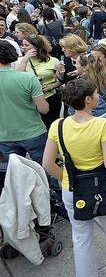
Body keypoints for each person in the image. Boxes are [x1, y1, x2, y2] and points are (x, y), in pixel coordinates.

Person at [42, 79, 106, 277]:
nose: (98, 97)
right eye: (96, 94)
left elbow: (47, 163)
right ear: (88, 100)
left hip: (72, 188)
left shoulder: (58, 125)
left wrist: (66, 179)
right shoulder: (102, 124)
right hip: (102, 185)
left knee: (80, 235)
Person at [0, 40, 49, 190]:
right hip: (34, 132)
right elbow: (44, 109)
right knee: (46, 171)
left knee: (15, 178)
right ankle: (57, 203)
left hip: (5, 136)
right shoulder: (28, 79)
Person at [16, 34, 64, 128]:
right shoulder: (22, 61)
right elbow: (17, 77)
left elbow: (61, 80)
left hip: (51, 97)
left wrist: (51, 86)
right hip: (31, 99)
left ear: (36, 47)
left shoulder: (52, 60)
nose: (24, 47)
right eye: (23, 45)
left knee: (53, 124)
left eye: (27, 45)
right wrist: (25, 59)